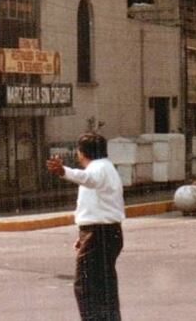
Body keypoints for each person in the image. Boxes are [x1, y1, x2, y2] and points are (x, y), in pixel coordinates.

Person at [47, 133, 125, 321]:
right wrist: (83, 234)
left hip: (99, 234)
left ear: (83, 152)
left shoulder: (98, 168)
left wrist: (63, 171)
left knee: (87, 286)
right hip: (105, 231)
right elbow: (96, 205)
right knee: (104, 286)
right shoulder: (107, 167)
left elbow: (88, 179)